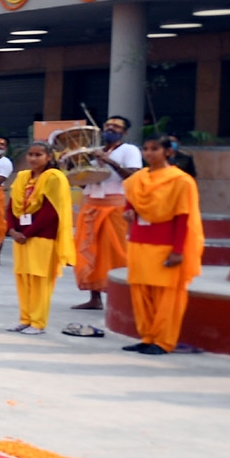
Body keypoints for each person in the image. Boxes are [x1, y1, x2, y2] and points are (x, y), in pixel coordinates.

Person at [121, 135, 203, 356]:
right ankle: (147, 337)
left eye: (154, 149)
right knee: (141, 292)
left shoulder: (181, 180)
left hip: (165, 242)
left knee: (166, 296)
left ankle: (164, 341)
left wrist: (178, 251)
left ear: (168, 152)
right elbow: (131, 202)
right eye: (145, 149)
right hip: (139, 240)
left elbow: (183, 217)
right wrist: (128, 211)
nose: (148, 153)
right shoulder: (137, 179)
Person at [68, 118, 142, 330]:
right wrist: (75, 164)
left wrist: (108, 162)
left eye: (116, 127)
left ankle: (121, 299)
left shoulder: (129, 150)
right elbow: (83, 180)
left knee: (117, 252)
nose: (110, 129)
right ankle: (94, 298)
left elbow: (134, 177)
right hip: (91, 204)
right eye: (108, 126)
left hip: (115, 206)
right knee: (90, 250)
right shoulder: (94, 151)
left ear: (125, 132)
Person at [5, 142, 76, 334]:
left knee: (40, 280)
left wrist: (26, 233)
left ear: (49, 157)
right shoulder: (22, 177)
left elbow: (50, 212)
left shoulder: (54, 177)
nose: (33, 159)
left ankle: (38, 322)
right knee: (23, 278)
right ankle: (25, 318)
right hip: (20, 236)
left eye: (38, 155)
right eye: (31, 154)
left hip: (42, 236)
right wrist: (12, 230)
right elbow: (11, 205)